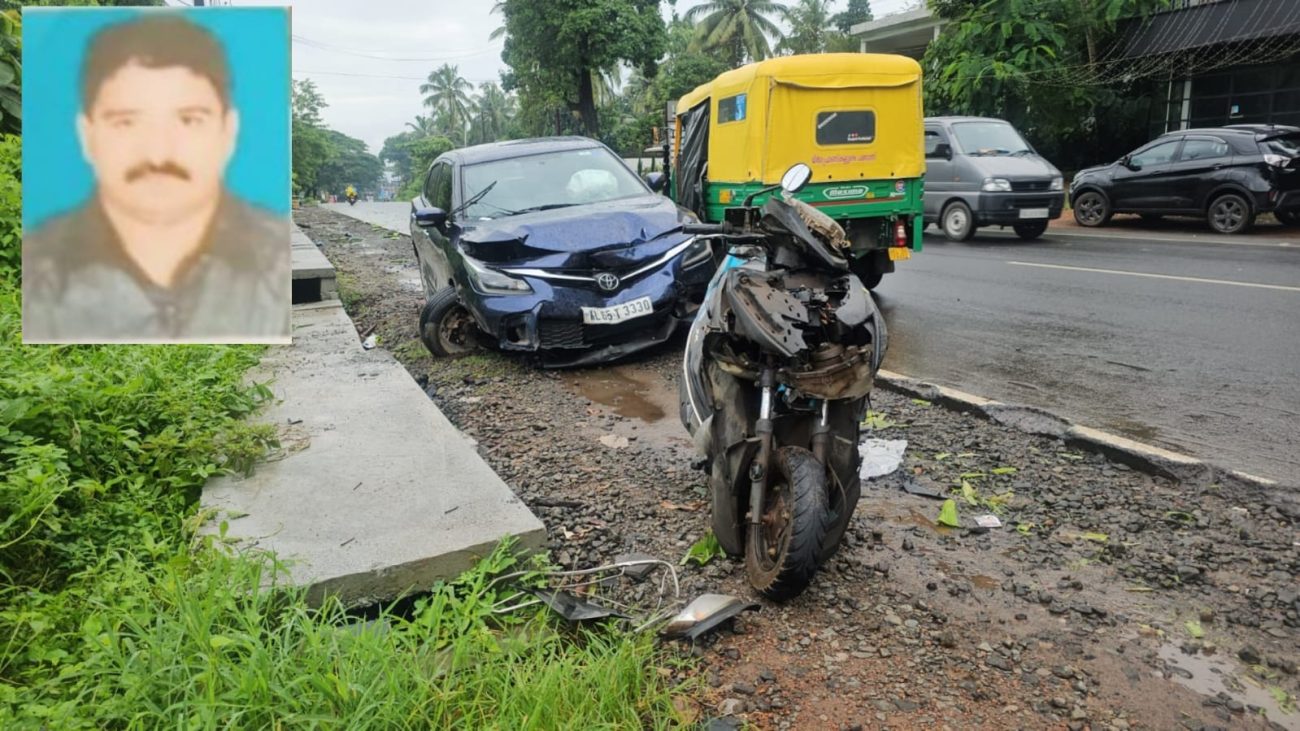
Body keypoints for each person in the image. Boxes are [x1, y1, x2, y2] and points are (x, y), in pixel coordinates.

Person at [22, 13, 290, 343]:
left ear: (228, 130)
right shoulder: (41, 268)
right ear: (87, 133)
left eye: (189, 120)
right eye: (126, 122)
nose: (158, 154)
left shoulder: (276, 261)